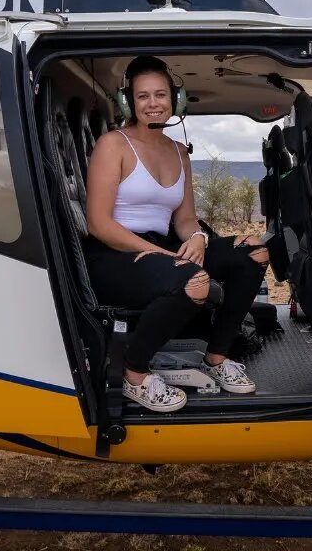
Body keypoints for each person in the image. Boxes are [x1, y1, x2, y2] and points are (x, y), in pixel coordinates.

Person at [85, 55, 268, 412]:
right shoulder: (113, 145)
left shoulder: (179, 151)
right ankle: (134, 375)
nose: (153, 104)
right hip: (114, 253)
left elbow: (185, 219)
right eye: (142, 96)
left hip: (161, 248)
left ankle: (217, 356)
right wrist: (163, 256)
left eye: (160, 95)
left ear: (175, 99)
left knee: (254, 252)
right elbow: (99, 224)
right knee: (195, 281)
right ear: (128, 102)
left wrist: (197, 238)